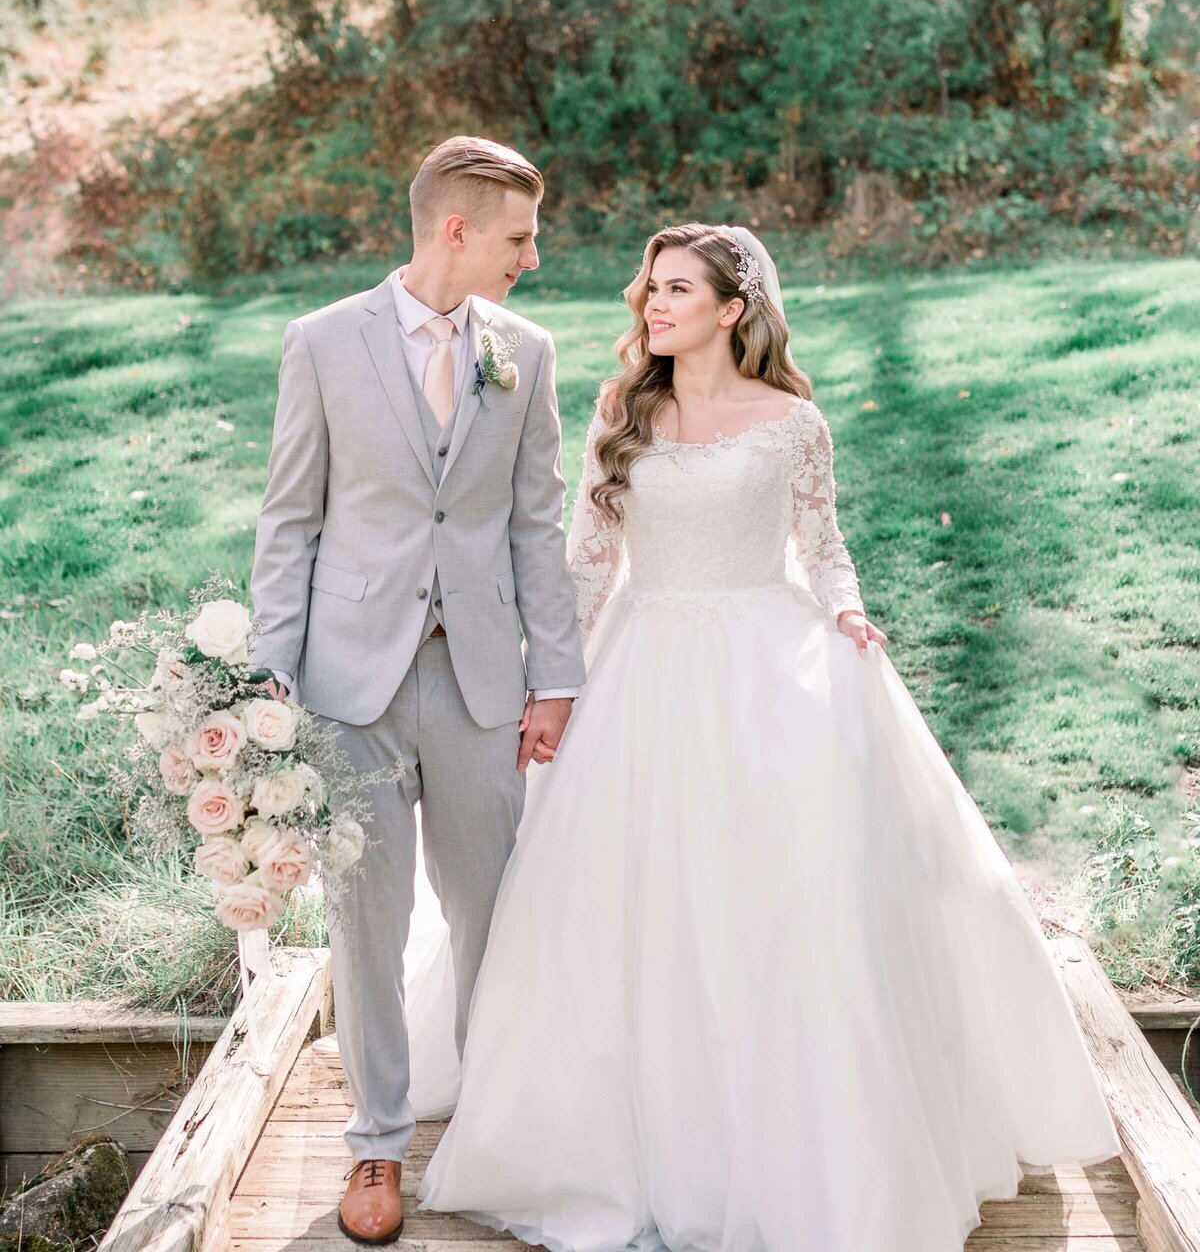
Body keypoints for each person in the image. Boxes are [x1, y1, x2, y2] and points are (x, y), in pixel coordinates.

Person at [415, 221, 1120, 1252]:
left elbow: (822, 548)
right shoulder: (627, 411)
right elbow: (584, 563)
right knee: (630, 892)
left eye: (677, 292)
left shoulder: (792, 421)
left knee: (781, 891)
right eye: (650, 290)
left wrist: (846, 612)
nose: (653, 306)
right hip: (640, 664)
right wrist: (554, 685)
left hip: (763, 658)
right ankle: (616, 1135)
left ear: (731, 310)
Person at [249, 136, 585, 1246]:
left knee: (494, 911)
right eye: (520, 236)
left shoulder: (525, 353)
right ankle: (378, 1144)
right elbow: (291, 518)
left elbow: (538, 522)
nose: (533, 257)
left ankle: (496, 1129)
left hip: (485, 680)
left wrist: (556, 677)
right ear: (458, 229)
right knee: (366, 917)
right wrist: (272, 686)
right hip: (352, 683)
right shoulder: (323, 343)